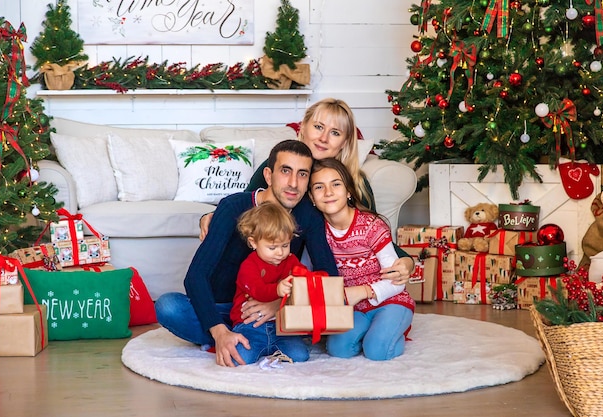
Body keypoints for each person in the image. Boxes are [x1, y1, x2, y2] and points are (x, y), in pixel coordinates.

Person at [155, 140, 338, 367]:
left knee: (305, 323)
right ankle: (232, 338)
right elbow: (195, 276)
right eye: (285, 171)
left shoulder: (308, 216)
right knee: (168, 306)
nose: (293, 183)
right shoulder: (233, 206)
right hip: (221, 308)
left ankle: (254, 339)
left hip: (270, 312)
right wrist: (219, 331)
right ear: (269, 175)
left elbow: (328, 275)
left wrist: (279, 305)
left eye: (302, 174)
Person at [199, 97, 415, 279]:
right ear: (303, 127)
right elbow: (246, 206)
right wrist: (213, 215)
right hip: (277, 268)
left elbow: (371, 231)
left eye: (335, 133)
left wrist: (405, 259)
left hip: (338, 273)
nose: (323, 138)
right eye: (319, 127)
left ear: (345, 142)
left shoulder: (355, 183)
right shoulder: (275, 167)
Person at [309, 158, 415, 361]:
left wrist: (363, 291)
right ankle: (372, 331)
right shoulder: (317, 231)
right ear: (312, 197)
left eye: (336, 184)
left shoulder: (371, 226)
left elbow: (396, 282)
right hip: (354, 308)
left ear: (349, 191)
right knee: (339, 349)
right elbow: (307, 270)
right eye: (319, 187)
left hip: (389, 300)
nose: (328, 192)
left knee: (377, 351)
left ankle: (391, 331)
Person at [229, 202, 310, 365]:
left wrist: (304, 280)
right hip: (250, 325)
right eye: (272, 247)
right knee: (240, 359)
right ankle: (261, 348)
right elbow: (258, 291)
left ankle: (271, 349)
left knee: (301, 355)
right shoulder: (249, 266)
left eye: (285, 245)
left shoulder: (291, 260)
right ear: (253, 243)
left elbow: (304, 279)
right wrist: (278, 289)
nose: (280, 253)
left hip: (281, 327)